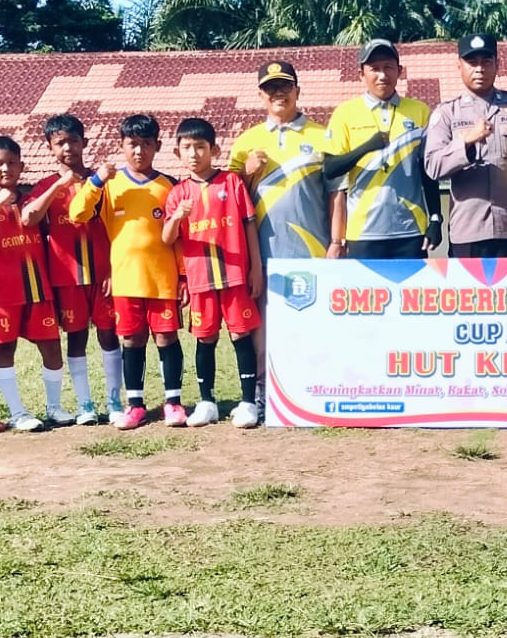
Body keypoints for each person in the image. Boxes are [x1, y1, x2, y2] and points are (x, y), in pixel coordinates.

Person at [229, 60, 341, 411]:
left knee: (315, 318)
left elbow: (337, 194)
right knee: (263, 322)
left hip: (313, 245)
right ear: (260, 94)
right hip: (262, 250)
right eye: (270, 87)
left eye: (285, 86)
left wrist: (337, 241)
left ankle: (315, 388)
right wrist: (247, 174)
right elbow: (230, 201)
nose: (279, 93)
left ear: (298, 90)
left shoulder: (323, 136)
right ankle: (264, 393)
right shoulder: (247, 141)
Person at [69, 113, 185, 429]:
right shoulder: (110, 184)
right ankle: (135, 405)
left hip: (163, 280)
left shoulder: (169, 186)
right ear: (121, 146)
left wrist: (184, 275)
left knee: (166, 338)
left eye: (146, 144)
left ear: (157, 146)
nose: (139, 151)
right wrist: (95, 180)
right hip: (125, 280)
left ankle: (173, 403)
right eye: (132, 144)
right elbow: (77, 213)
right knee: (132, 340)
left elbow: (180, 238)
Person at [162, 117, 264, 428]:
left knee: (240, 334)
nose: (194, 154)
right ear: (178, 154)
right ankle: (207, 402)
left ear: (214, 150)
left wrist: (255, 268)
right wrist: (178, 217)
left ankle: (248, 403)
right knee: (204, 338)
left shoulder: (231, 183)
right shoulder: (177, 194)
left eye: (201, 147)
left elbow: (249, 226)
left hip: (234, 275)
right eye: (187, 148)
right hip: (200, 279)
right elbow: (167, 238)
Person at [23, 113, 123, 425]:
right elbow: (29, 219)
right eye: (60, 142)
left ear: (85, 142)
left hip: (104, 274)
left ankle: (114, 401)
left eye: (73, 140)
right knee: (76, 338)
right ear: (50, 148)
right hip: (67, 276)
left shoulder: (104, 181)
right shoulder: (45, 186)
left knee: (109, 335)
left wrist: (113, 269)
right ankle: (85, 404)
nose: (68, 147)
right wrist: (59, 185)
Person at [0, 135, 67, 433]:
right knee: (5, 347)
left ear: (22, 166)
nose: (6, 169)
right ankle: (17, 411)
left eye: (12, 163)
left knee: (51, 345)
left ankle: (54, 406)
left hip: (38, 286)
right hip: (3, 291)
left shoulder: (32, 202)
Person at [423, 33, 507, 257]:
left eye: (486, 62)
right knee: (469, 293)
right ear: (459, 66)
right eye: (472, 62)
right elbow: (433, 167)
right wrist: (465, 141)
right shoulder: (447, 112)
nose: (480, 69)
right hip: (467, 229)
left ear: (498, 65)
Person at [325, 39, 441, 258]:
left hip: (411, 229)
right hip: (363, 231)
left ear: (400, 71)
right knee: (366, 294)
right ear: (361, 74)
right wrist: (367, 147)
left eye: (388, 67)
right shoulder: (345, 113)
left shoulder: (420, 111)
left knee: (411, 293)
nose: (382, 75)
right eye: (374, 69)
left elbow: (429, 172)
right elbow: (330, 169)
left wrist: (435, 217)